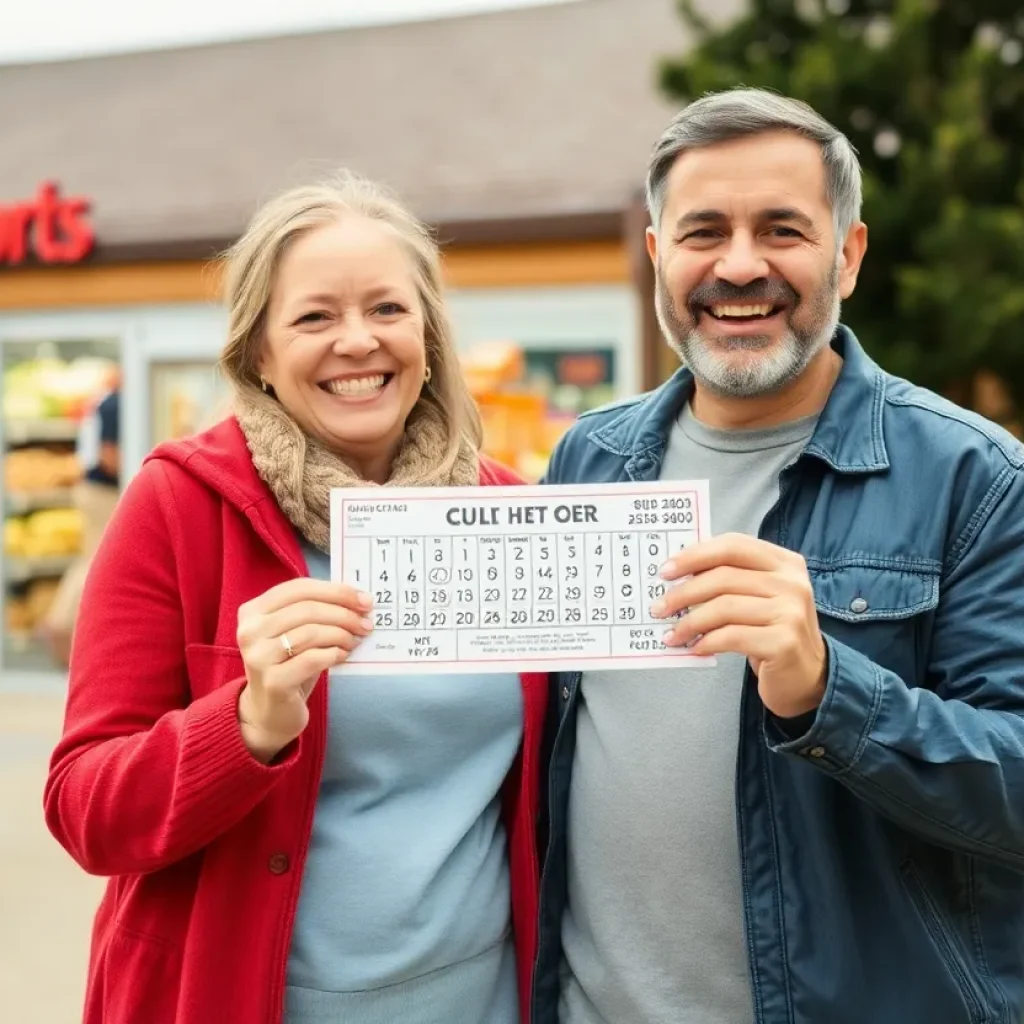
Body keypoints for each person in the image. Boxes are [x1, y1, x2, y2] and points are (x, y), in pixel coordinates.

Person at [532, 88, 1024, 1024]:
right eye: (703, 231)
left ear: (849, 253)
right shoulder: (586, 461)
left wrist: (826, 689)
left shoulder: (981, 480)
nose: (740, 265)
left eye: (783, 229)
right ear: (655, 256)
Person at [44, 172, 547, 1024]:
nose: (359, 342)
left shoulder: (506, 510)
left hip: (483, 1001)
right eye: (315, 317)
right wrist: (246, 726)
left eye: (387, 310)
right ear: (260, 357)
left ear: (427, 335)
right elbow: (85, 809)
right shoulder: (177, 506)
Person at [41, 383, 120, 667]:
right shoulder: (114, 404)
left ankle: (61, 624)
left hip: (93, 490)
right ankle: (60, 624)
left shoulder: (104, 400)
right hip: (103, 493)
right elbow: (109, 455)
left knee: (92, 558)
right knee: (97, 560)